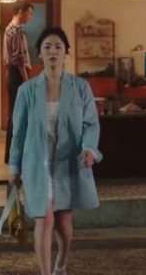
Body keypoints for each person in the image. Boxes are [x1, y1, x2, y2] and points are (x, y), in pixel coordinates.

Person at [8, 27, 103, 275]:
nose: (53, 51)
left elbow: (91, 124)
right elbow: (18, 132)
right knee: (45, 218)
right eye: (47, 46)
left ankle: (61, 262)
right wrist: (14, 168)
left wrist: (89, 149)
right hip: (36, 164)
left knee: (63, 223)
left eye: (58, 47)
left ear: (65, 53)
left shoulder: (80, 87)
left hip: (67, 163)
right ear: (39, 53)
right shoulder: (26, 90)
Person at [3, 1, 34, 163]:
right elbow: (19, 59)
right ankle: (16, 155)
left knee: (14, 113)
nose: (30, 17)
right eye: (29, 13)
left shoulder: (8, 28)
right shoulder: (16, 31)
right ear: (20, 11)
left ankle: (11, 155)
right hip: (18, 75)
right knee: (19, 114)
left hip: (11, 74)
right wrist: (27, 81)